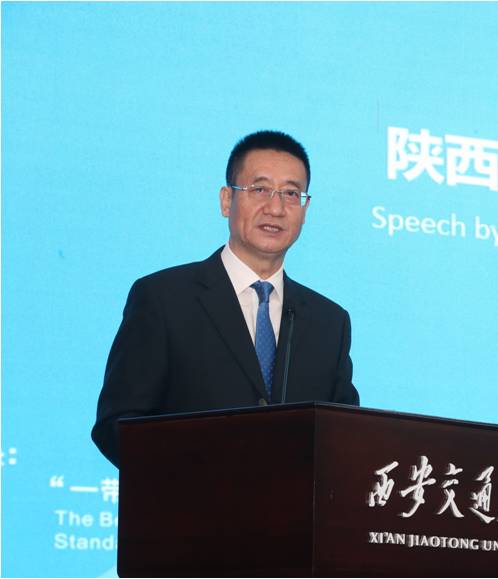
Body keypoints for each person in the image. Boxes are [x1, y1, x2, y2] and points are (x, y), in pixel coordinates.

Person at [92, 130, 359, 468]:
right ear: (226, 200)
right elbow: (117, 424)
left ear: (305, 209)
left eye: (291, 194)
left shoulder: (329, 322)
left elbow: (346, 437)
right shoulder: (163, 299)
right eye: (259, 189)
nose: (276, 208)